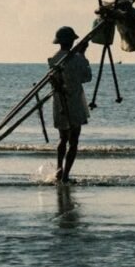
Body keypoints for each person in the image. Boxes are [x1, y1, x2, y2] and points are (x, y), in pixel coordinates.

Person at [48, 26, 92, 184]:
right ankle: (65, 174)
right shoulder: (78, 59)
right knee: (74, 140)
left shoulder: (54, 58)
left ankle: (59, 171)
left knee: (62, 138)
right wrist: (82, 54)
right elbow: (87, 77)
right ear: (72, 41)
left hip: (59, 102)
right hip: (74, 102)